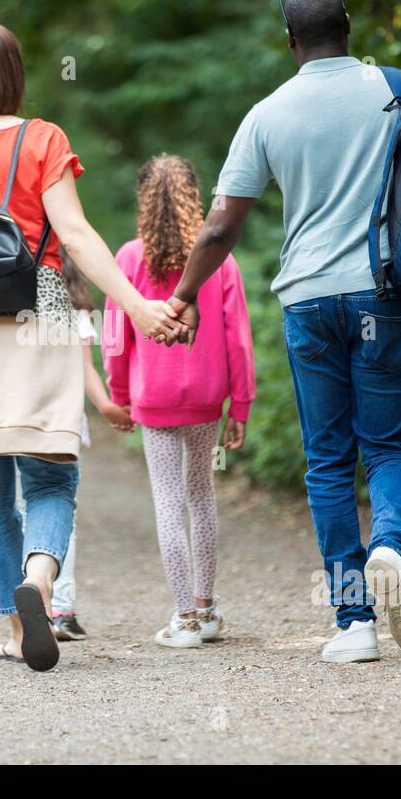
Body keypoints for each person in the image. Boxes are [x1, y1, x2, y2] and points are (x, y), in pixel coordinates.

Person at [162, 0, 401, 663]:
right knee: (392, 448)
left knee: (329, 460)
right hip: (387, 290)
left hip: (310, 302)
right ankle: (392, 550)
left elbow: (220, 224)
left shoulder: (267, 114)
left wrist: (186, 293)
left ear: (290, 42)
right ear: (349, 27)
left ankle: (354, 624)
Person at [0, 20, 185, 672]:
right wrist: (134, 306)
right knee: (52, 472)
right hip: (39, 316)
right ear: (15, 75)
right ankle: (43, 582)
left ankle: (14, 626)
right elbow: (75, 235)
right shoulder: (43, 139)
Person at [103, 155, 255, 649]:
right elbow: (239, 338)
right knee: (201, 495)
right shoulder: (220, 260)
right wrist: (241, 404)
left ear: (144, 201)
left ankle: (184, 620)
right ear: (195, 198)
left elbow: (113, 334)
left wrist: (118, 394)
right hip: (208, 397)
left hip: (154, 398)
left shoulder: (126, 260)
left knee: (167, 501)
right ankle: (208, 610)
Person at [14, 258, 135, 642]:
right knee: (58, 509)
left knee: (19, 511)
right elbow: (86, 369)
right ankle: (61, 607)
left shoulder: (9, 306)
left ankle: (29, 604)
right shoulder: (77, 311)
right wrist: (107, 407)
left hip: (12, 419)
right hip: (62, 423)